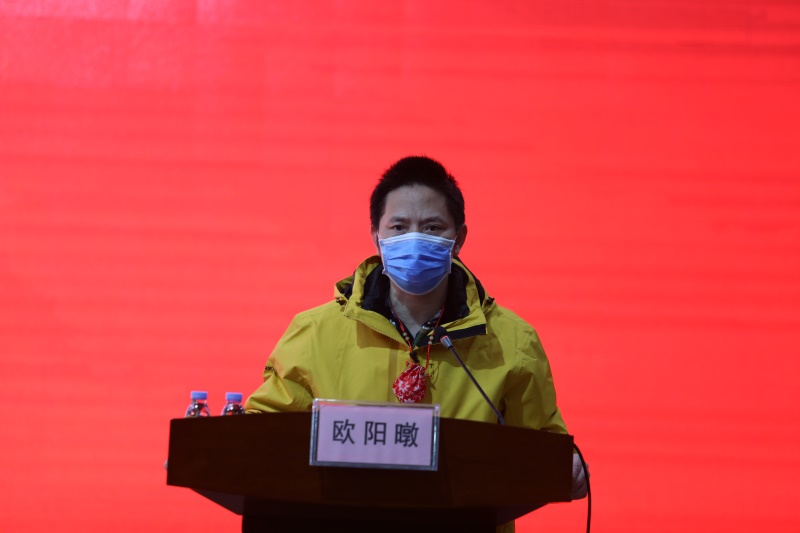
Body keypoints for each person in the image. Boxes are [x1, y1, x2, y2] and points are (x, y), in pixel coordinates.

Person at [245, 156, 587, 530]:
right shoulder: (314, 332)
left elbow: (542, 446)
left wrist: (568, 466)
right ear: (376, 236)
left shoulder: (511, 340)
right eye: (399, 227)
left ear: (459, 239)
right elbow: (264, 435)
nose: (414, 239)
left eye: (432, 227)